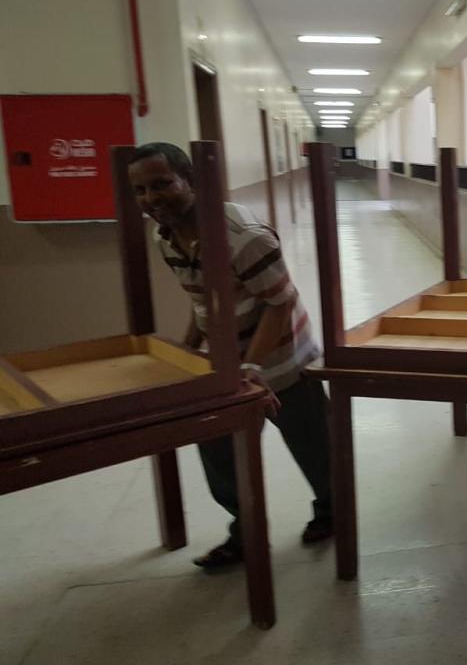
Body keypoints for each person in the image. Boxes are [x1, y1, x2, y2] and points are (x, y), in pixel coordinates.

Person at [127, 142, 332, 571]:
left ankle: (332, 512)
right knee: (219, 453)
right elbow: (202, 300)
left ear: (193, 181)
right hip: (223, 366)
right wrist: (187, 350)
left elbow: (280, 303)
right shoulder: (164, 236)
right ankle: (246, 533)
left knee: (315, 449)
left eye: (161, 184)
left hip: (285, 362)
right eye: (141, 191)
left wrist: (253, 368)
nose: (151, 199)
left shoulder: (244, 237)